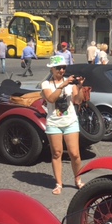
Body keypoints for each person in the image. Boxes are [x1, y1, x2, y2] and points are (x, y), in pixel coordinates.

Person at [41, 55, 86, 195]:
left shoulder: (70, 84)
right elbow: (50, 98)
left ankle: (78, 179)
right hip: (54, 122)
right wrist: (62, 86)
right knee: (56, 153)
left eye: (63, 68)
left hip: (70, 121)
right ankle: (58, 183)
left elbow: (78, 101)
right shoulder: (46, 84)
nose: (61, 70)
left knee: (75, 153)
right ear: (52, 69)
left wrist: (80, 87)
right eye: (58, 68)